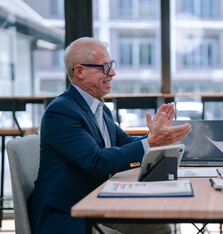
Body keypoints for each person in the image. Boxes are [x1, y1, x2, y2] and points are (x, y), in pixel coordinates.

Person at [28, 37, 192, 234]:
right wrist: (152, 141)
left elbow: (124, 143)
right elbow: (95, 161)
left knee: (160, 228)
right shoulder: (61, 112)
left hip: (96, 202)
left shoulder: (99, 108)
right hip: (67, 213)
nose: (112, 73)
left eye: (111, 65)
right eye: (105, 67)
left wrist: (155, 136)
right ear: (80, 71)